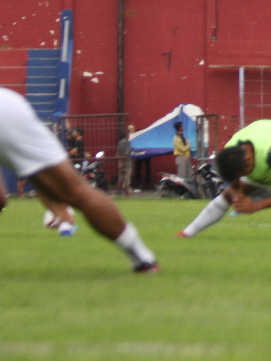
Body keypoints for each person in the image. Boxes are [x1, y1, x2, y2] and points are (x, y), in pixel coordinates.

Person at [0, 87, 158, 272]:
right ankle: (142, 258)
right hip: (7, 110)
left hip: (7, 113)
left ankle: (141, 257)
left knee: (78, 192)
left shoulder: (78, 140)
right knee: (79, 192)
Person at [173, 120, 193, 186]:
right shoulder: (176, 138)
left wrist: (187, 146)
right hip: (181, 157)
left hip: (186, 157)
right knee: (182, 175)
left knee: (189, 174)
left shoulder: (183, 136)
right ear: (179, 128)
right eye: (182, 126)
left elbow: (187, 145)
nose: (183, 127)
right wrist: (188, 145)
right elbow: (183, 149)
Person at [117, 124, 135, 195]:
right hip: (127, 163)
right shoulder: (128, 142)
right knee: (127, 178)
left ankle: (119, 192)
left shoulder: (119, 142)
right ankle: (127, 193)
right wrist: (123, 162)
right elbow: (126, 154)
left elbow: (117, 153)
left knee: (120, 178)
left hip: (120, 162)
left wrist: (119, 163)